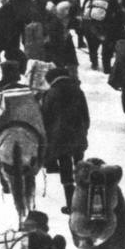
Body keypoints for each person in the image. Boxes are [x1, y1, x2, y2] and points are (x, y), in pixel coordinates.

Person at [41, 67, 90, 212]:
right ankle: (86, 200)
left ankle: (71, 205)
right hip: (78, 135)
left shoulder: (51, 93)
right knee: (80, 168)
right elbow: (86, 115)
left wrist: (48, 139)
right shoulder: (78, 91)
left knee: (66, 172)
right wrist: (83, 131)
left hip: (60, 139)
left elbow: (46, 118)